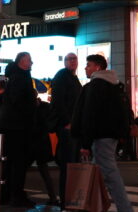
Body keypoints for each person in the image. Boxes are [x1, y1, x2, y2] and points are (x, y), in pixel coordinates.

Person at [71, 54, 133, 212]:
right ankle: (94, 206)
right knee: (100, 172)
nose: (85, 68)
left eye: (88, 65)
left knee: (109, 173)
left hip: (100, 136)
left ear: (97, 67)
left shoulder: (95, 86)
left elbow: (89, 115)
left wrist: (85, 143)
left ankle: (125, 208)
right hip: (111, 135)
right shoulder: (115, 85)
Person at [0, 51, 37, 207]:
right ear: (21, 62)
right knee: (18, 162)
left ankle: (7, 194)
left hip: (11, 125)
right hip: (18, 126)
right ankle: (16, 195)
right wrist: (31, 107)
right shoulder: (21, 78)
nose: (31, 63)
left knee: (11, 162)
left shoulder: (15, 77)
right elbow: (18, 101)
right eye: (29, 60)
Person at [50, 51, 82, 194]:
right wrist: (67, 122)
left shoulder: (73, 78)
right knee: (69, 163)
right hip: (67, 126)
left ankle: (71, 197)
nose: (72, 61)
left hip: (73, 126)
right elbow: (58, 101)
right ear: (64, 62)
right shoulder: (62, 76)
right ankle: (66, 198)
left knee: (73, 163)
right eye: (69, 59)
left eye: (74, 59)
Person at [31, 98, 61, 206]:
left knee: (42, 170)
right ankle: (52, 197)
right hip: (41, 143)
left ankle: (53, 197)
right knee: (44, 171)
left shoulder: (34, 109)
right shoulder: (45, 107)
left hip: (35, 143)